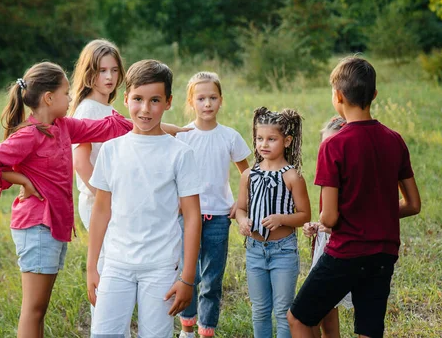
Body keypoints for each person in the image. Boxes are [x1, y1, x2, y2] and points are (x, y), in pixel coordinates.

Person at [0, 62, 133, 338]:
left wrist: (152, 123)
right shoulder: (29, 134)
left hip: (52, 228)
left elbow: (107, 129)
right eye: (66, 93)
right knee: (33, 309)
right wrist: (23, 180)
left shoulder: (63, 126)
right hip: (36, 227)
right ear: (49, 98)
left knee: (40, 309)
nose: (71, 99)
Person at [287, 56, 422, 338]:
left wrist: (336, 218)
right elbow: (412, 204)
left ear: (337, 96)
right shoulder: (394, 139)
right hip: (384, 253)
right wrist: (376, 211)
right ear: (373, 94)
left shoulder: (334, 145)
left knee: (298, 318)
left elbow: (330, 216)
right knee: (369, 330)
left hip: (347, 252)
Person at [86, 60, 203, 338]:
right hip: (115, 263)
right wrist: (92, 267)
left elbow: (192, 216)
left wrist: (187, 278)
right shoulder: (112, 151)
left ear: (168, 102)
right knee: (104, 334)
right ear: (126, 98)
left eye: (155, 100)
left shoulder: (180, 153)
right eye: (138, 99)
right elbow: (101, 210)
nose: (145, 109)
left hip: (160, 266)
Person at [175, 71, 251, 338]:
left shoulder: (229, 136)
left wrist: (240, 203)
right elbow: (172, 174)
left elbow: (247, 174)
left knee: (212, 279)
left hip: (219, 217)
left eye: (213, 98)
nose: (207, 104)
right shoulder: (182, 135)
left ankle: (207, 330)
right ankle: (187, 328)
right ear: (191, 101)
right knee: (189, 275)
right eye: (201, 98)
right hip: (188, 215)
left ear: (221, 101)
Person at [235, 107, 311, 338]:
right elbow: (240, 208)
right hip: (255, 251)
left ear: (287, 141)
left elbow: (305, 214)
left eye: (271, 139)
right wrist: (242, 221)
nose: (264, 144)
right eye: (259, 139)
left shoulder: (292, 177)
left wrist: (281, 219)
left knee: (282, 311)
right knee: (259, 310)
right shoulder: (249, 174)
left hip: (283, 252)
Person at [301, 116, 351, 338]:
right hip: (326, 243)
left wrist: (328, 226)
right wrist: (317, 226)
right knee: (327, 313)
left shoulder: (350, 181)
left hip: (344, 248)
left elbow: (345, 219)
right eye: (325, 147)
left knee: (310, 311)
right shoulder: (328, 179)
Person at [70, 39, 126, 230]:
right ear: (89, 72)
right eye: (102, 71)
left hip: (113, 199)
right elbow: (80, 162)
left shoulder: (107, 108)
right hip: (98, 202)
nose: (109, 76)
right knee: (105, 259)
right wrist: (105, 200)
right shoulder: (87, 110)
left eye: (114, 70)